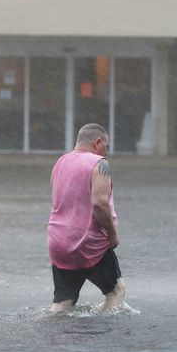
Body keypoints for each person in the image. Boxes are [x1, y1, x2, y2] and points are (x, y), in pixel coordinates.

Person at [47, 123, 126, 313]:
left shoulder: (61, 162)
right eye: (106, 146)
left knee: (63, 302)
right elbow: (100, 204)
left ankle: (57, 334)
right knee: (116, 291)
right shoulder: (99, 163)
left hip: (58, 241)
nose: (106, 152)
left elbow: (60, 200)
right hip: (89, 242)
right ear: (97, 142)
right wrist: (112, 235)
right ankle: (102, 332)